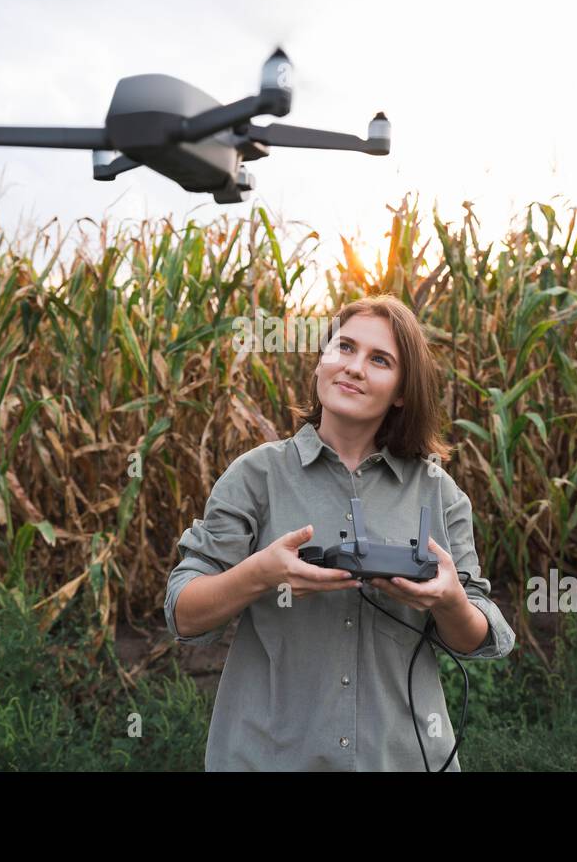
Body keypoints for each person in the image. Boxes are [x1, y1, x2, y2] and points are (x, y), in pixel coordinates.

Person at [164, 294, 515, 770]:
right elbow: (184, 614)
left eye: (379, 360)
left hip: (404, 759)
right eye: (344, 347)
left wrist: (450, 599)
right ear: (320, 363)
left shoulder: (439, 493)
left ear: (402, 392)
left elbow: (477, 637)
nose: (353, 367)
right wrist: (261, 574)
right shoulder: (256, 475)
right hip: (269, 758)